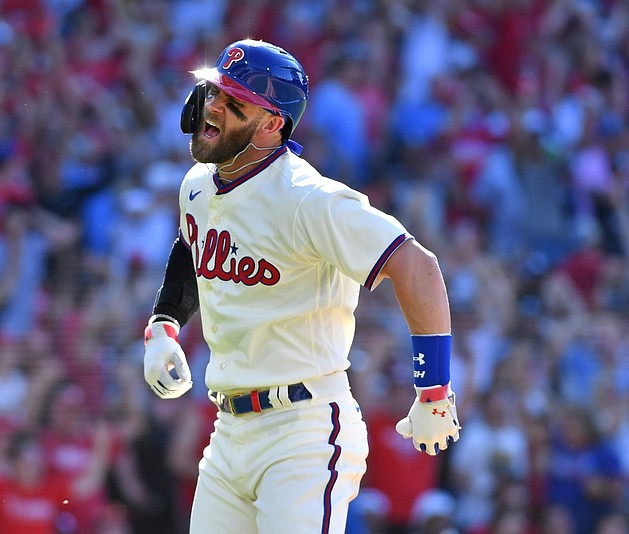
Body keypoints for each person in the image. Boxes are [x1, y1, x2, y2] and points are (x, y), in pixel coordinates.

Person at [141, 39, 461, 533]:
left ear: (272, 125)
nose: (213, 108)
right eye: (212, 93)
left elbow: (417, 266)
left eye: (234, 103)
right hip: (228, 430)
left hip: (303, 430)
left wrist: (434, 389)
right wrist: (164, 324)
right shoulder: (199, 184)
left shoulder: (309, 198)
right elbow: (191, 244)